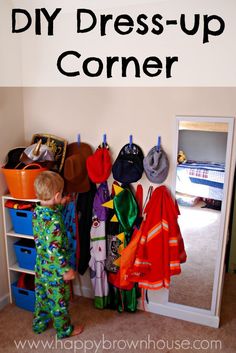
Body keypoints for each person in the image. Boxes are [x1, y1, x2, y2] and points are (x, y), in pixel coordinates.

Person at [32, 171, 83, 338]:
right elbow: (54, 250)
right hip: (55, 270)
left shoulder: (38, 212)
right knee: (58, 300)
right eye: (61, 195)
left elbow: (51, 209)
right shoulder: (54, 221)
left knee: (42, 296)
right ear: (56, 195)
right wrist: (65, 269)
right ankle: (64, 330)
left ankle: (40, 323)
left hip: (41, 266)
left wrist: (62, 203)